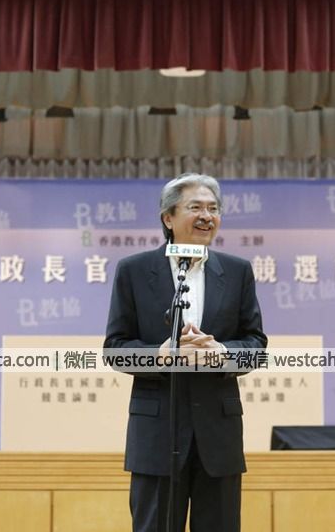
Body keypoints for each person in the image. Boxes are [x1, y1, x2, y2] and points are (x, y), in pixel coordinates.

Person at [104, 173, 267, 532]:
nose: (207, 216)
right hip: (156, 435)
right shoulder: (133, 270)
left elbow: (256, 346)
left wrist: (220, 352)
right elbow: (115, 349)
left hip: (218, 436)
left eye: (214, 209)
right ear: (168, 218)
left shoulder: (237, 272)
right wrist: (160, 356)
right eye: (196, 207)